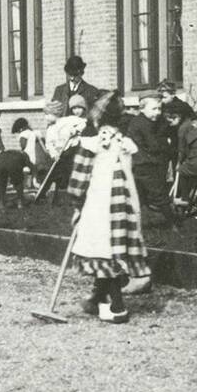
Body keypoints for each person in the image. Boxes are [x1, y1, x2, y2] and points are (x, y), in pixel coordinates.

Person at [67, 93, 151, 323]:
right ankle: (97, 299)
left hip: (100, 206)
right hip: (124, 206)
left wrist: (76, 204)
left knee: (103, 253)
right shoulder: (124, 143)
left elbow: (78, 181)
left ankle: (116, 306)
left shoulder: (92, 144)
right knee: (113, 251)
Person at [123, 95, 177, 227]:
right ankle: (172, 223)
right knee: (157, 193)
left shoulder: (155, 122)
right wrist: (165, 143)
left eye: (159, 109)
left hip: (148, 162)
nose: (158, 112)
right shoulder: (140, 123)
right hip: (144, 164)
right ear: (142, 109)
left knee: (142, 193)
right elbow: (153, 145)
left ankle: (140, 222)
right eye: (154, 109)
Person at [40, 94, 89, 203]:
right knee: (54, 172)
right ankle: (45, 194)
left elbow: (84, 123)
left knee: (66, 172)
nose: (45, 117)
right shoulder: (50, 129)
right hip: (59, 155)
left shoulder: (69, 120)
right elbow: (49, 145)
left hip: (70, 150)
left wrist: (76, 130)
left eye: (47, 114)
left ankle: (66, 196)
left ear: (55, 114)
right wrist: (54, 154)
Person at [0, 118, 34, 209]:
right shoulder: (24, 155)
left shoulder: (15, 153)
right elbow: (29, 166)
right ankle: (20, 201)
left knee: (1, 181)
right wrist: (33, 172)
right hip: (14, 162)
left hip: (1, 160)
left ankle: (1, 203)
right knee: (18, 181)